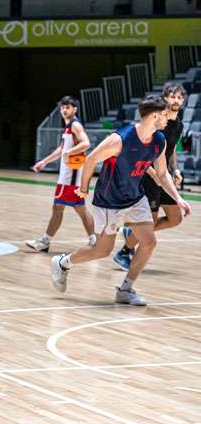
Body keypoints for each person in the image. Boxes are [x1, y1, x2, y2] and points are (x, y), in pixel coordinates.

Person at [49, 95, 191, 305]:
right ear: (154, 116)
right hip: (109, 201)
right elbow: (90, 160)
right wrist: (84, 188)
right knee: (102, 250)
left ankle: (125, 289)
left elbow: (162, 173)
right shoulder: (121, 139)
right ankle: (62, 262)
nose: (166, 118)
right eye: (163, 114)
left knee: (149, 242)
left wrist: (178, 199)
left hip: (135, 197)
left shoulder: (159, 139)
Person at [113, 83, 187, 269]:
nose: (176, 100)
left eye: (179, 97)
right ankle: (124, 252)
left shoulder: (178, 124)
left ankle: (132, 231)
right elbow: (143, 154)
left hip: (164, 176)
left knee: (175, 218)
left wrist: (175, 170)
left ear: (183, 100)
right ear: (165, 99)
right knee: (151, 220)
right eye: (172, 96)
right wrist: (155, 175)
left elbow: (170, 151)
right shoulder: (157, 123)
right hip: (148, 177)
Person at [26, 96, 96, 252]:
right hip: (73, 178)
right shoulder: (68, 127)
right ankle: (94, 239)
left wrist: (69, 152)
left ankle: (45, 241)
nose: (65, 110)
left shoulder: (75, 125)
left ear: (75, 109)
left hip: (69, 178)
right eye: (63, 107)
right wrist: (44, 162)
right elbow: (61, 149)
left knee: (58, 208)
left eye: (68, 107)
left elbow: (86, 143)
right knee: (81, 209)